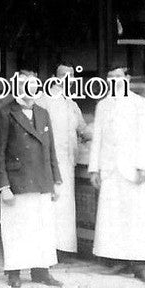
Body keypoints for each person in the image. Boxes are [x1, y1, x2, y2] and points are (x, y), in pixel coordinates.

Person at [0, 70, 64, 287]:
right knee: (16, 229)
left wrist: (56, 180)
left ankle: (41, 272)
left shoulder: (43, 112)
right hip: (17, 183)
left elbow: (51, 149)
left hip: (42, 181)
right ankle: (14, 273)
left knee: (42, 228)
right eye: (24, 84)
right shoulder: (4, 114)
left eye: (33, 84)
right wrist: (3, 187)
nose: (29, 89)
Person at [88, 67, 145, 284]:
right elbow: (97, 138)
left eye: (119, 77)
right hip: (110, 170)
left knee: (136, 218)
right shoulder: (103, 105)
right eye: (111, 78)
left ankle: (140, 265)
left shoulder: (139, 103)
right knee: (113, 218)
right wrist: (94, 169)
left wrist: (143, 166)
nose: (115, 81)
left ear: (127, 79)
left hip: (133, 170)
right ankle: (118, 259)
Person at [35, 61, 90, 255]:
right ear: (54, 78)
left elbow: (82, 129)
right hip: (49, 163)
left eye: (71, 77)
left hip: (68, 163)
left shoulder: (71, 104)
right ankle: (49, 249)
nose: (68, 81)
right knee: (51, 206)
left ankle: (63, 249)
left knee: (65, 208)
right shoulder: (43, 100)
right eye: (64, 77)